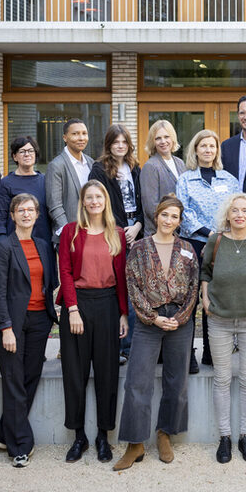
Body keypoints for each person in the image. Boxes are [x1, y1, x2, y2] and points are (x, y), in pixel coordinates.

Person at [114, 196, 199, 471]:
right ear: (157, 216)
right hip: (148, 321)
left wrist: (180, 318)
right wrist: (153, 317)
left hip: (179, 322)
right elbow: (133, 285)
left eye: (175, 217)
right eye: (165, 215)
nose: (169, 221)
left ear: (179, 221)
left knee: (177, 382)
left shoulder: (187, 249)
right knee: (137, 382)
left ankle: (165, 434)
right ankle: (135, 444)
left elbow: (194, 287)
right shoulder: (139, 248)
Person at [57, 180, 128, 464]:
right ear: (83, 201)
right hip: (78, 304)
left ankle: (102, 435)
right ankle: (79, 437)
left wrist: (123, 313)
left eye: (99, 196)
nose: (95, 201)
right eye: (90, 197)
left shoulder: (117, 234)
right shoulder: (70, 232)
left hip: (108, 305)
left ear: (105, 200)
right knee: (74, 372)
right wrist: (72, 308)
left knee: (107, 374)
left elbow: (121, 276)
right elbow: (64, 270)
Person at [199, 193, 246, 464]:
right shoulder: (215, 240)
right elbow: (205, 271)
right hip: (219, 318)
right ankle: (224, 438)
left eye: (245, 210)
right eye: (235, 211)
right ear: (227, 215)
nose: (240, 215)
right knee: (222, 378)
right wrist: (205, 298)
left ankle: (245, 436)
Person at [0, 193, 57, 468]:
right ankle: (20, 445)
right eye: (21, 210)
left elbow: (48, 283)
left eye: (31, 210)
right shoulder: (4, 247)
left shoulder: (42, 245)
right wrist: (4, 328)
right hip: (13, 324)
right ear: (13, 215)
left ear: (37, 215)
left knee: (30, 377)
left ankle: (4, 434)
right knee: (14, 381)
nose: (26, 214)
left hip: (40, 321)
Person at [175, 129, 240, 368]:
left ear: (217, 151)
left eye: (212, 146)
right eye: (203, 146)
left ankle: (213, 353)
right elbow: (183, 212)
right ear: (195, 150)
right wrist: (208, 234)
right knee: (190, 299)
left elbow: (236, 210)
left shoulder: (229, 180)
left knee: (216, 298)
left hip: (223, 244)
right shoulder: (185, 179)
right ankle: (188, 353)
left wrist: (220, 236)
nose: (208, 150)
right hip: (193, 243)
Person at [89, 124, 144, 362]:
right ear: (109, 145)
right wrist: (121, 230)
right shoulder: (99, 169)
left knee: (135, 288)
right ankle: (119, 345)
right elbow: (98, 204)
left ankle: (131, 345)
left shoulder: (135, 167)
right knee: (117, 288)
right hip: (114, 232)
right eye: (115, 142)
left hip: (137, 231)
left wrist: (138, 226)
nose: (120, 146)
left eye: (124, 142)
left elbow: (144, 202)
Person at [0, 136, 51, 250]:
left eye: (31, 151)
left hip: (43, 241)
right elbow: (0, 215)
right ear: (15, 156)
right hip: (16, 242)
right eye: (22, 151)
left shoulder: (45, 180)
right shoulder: (6, 182)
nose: (27, 154)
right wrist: (2, 240)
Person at [46, 119, 95, 246]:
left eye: (84, 133)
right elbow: (54, 206)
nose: (81, 138)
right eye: (75, 134)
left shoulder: (91, 163)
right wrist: (68, 233)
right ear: (65, 138)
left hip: (92, 232)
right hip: (70, 237)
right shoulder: (56, 166)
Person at [140, 119, 187, 235]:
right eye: (158, 138)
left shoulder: (180, 163)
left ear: (173, 138)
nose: (163, 141)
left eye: (167, 137)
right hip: (158, 234)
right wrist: (172, 222)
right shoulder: (151, 166)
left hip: (178, 232)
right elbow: (151, 207)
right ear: (153, 142)